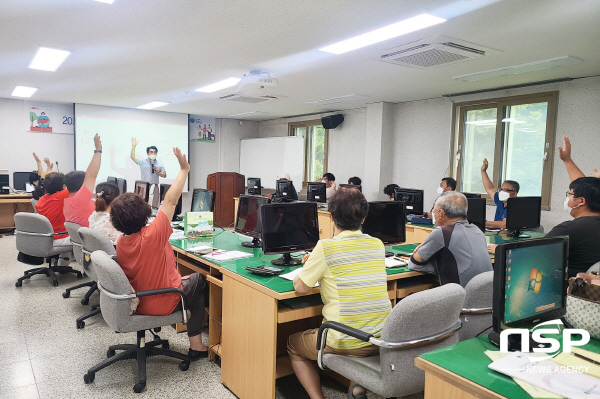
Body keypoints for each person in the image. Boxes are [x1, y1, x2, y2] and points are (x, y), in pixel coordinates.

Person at [288, 187, 391, 399]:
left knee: (292, 344)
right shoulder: (377, 244)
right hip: (382, 338)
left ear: (331, 216)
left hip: (347, 342)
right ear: (363, 219)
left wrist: (310, 266)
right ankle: (358, 386)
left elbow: (301, 287)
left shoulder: (325, 248)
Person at [111, 147, 208, 359]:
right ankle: (198, 343)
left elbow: (147, 268)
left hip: (139, 299)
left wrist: (173, 277)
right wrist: (184, 170)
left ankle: (197, 343)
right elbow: (170, 201)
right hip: (160, 301)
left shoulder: (121, 240)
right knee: (200, 280)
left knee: (188, 280)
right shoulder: (151, 236)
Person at [408, 191, 492, 287]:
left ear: (441, 213)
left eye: (434, 209)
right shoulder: (477, 230)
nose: (433, 213)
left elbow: (413, 264)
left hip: (460, 297)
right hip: (485, 296)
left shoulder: (442, 232)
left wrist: (438, 265)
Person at [63, 134, 102, 227]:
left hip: (80, 239)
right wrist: (98, 150)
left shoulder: (68, 201)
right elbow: (91, 175)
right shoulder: (79, 200)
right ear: (82, 186)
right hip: (90, 239)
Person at [35, 172, 71, 265]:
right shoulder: (62, 195)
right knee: (81, 236)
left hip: (44, 238)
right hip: (58, 238)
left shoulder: (41, 200)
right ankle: (63, 266)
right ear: (63, 186)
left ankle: (62, 265)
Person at [481, 158, 519, 229]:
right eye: (501, 189)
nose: (502, 192)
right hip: (497, 233)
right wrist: (483, 171)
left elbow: (504, 224)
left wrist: (483, 222)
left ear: (514, 194)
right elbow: (490, 188)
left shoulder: (516, 206)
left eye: (505, 190)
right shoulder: (500, 201)